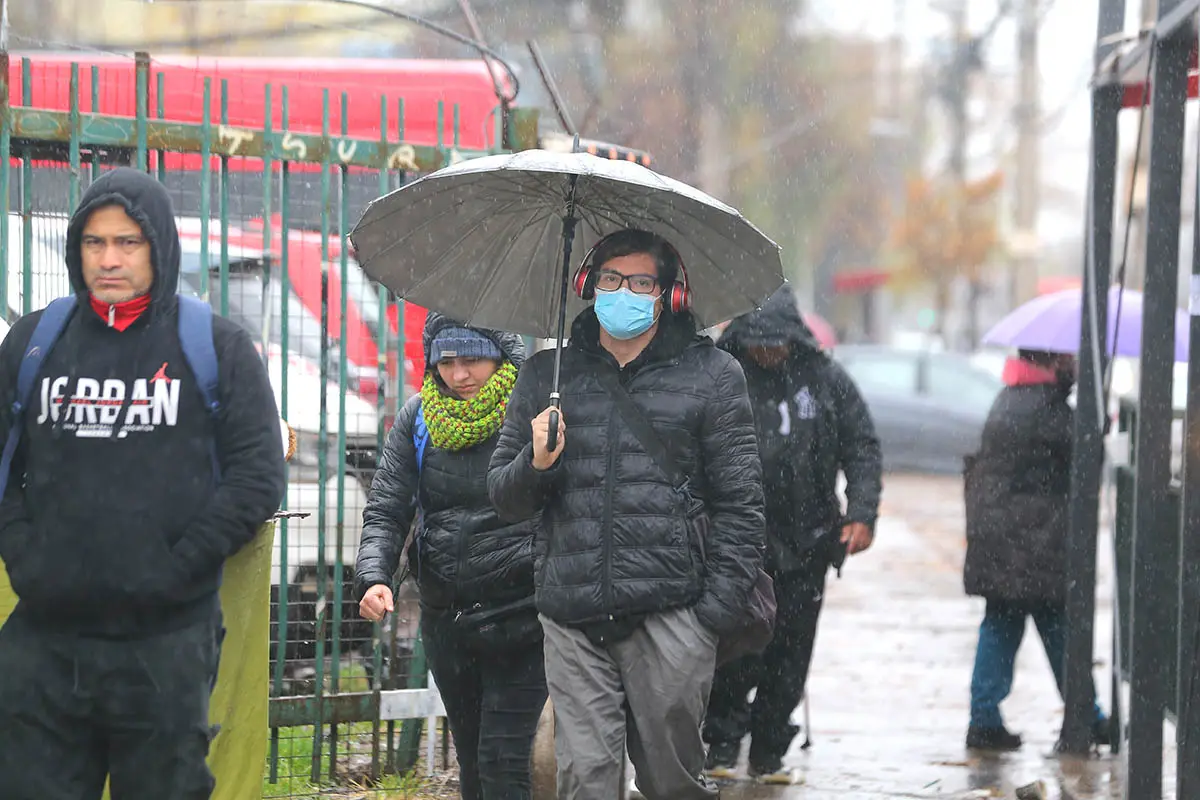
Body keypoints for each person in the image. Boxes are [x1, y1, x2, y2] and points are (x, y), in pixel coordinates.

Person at [0, 167, 286, 799]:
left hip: (165, 643)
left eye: (128, 242)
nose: (109, 259)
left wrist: (176, 567)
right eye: (94, 242)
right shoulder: (34, 343)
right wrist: (25, 555)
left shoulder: (216, 347)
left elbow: (259, 477)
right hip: (46, 640)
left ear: (159, 245)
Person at [488, 228, 766, 800]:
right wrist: (536, 463)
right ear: (589, 286)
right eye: (612, 279)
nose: (625, 292)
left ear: (668, 295)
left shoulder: (714, 376)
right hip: (572, 612)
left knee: (674, 784)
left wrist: (708, 620)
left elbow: (742, 506)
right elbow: (504, 498)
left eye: (641, 282)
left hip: (673, 615)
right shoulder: (547, 377)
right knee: (584, 779)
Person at [355, 314, 545, 800]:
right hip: (449, 621)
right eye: (447, 362)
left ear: (501, 357)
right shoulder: (418, 418)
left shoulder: (534, 414)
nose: (459, 375)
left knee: (503, 757)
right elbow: (387, 507)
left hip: (524, 619)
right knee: (473, 757)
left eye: (472, 360)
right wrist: (376, 575)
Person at [702, 284, 882, 782]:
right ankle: (720, 742)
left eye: (778, 343)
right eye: (760, 342)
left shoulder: (825, 379)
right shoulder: (722, 374)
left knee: (791, 650)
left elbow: (862, 446)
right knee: (735, 648)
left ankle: (769, 749)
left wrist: (862, 512)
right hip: (736, 545)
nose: (769, 352)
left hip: (808, 542)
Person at [963, 348, 1108, 751]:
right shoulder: (1046, 410)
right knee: (1060, 632)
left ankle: (984, 718)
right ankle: (1087, 715)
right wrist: (1097, 424)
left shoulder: (1011, 398)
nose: (1075, 366)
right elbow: (1085, 454)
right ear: (1051, 363)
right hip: (1033, 549)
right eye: (1068, 359)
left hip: (1003, 544)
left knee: (1001, 627)